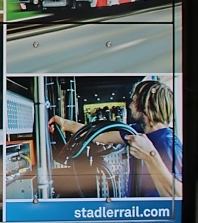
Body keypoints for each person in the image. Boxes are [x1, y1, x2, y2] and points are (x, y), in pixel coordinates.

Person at [50, 79, 182, 199]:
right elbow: (102, 135)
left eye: (135, 101)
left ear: (146, 105)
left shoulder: (168, 143)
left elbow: (179, 194)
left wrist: (150, 156)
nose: (130, 106)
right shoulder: (138, 131)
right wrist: (64, 123)